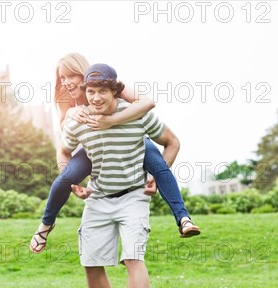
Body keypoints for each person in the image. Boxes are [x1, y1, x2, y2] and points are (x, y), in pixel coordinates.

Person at [29, 53, 199, 254]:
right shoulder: (65, 96)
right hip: (95, 147)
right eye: (61, 78)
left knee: (159, 166)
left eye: (70, 76)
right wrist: (71, 114)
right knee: (64, 178)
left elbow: (147, 102)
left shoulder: (107, 81)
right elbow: (64, 135)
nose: (65, 82)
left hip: (128, 140)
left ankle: (183, 219)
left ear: (82, 74)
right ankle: (45, 226)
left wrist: (113, 120)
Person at [62, 64, 180, 288]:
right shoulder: (79, 120)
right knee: (91, 262)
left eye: (102, 91)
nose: (96, 98)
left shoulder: (137, 116)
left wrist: (156, 175)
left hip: (133, 197)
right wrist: (72, 184)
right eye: (91, 92)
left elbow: (172, 142)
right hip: (98, 197)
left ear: (115, 91)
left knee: (133, 258)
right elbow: (64, 150)